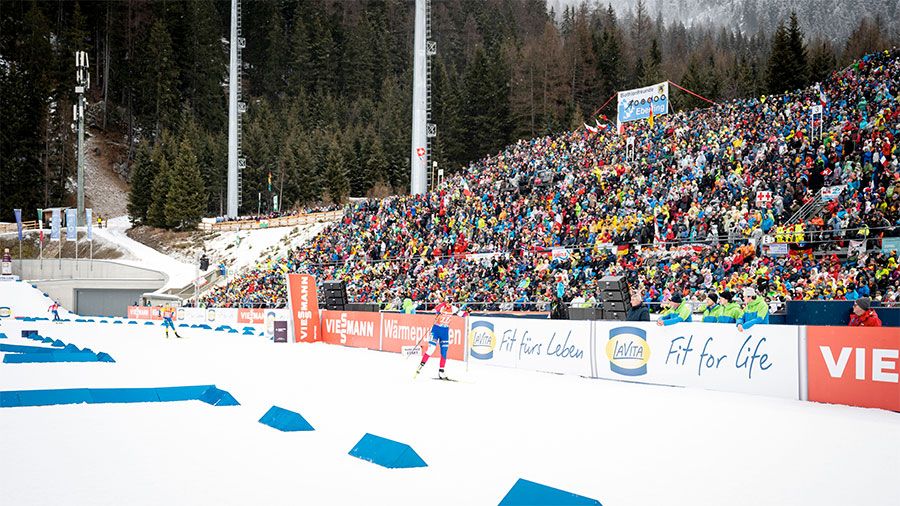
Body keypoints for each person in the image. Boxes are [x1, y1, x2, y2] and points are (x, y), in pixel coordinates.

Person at [415, 301, 465, 380]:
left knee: (444, 352)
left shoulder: (453, 308)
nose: (449, 304)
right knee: (431, 349)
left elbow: (463, 315)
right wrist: (443, 305)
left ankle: (441, 371)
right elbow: (435, 310)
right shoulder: (442, 306)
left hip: (445, 331)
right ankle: (421, 365)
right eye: (448, 302)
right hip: (436, 330)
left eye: (451, 302)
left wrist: (468, 312)